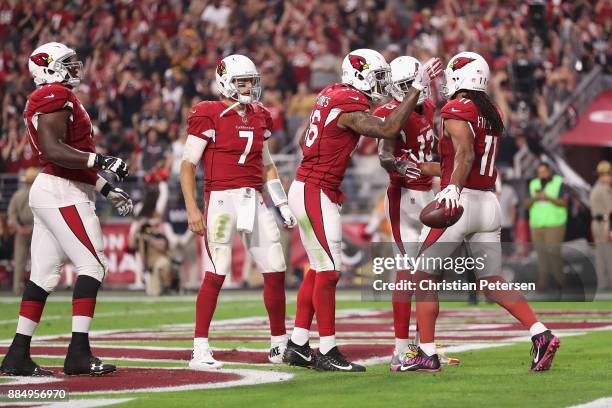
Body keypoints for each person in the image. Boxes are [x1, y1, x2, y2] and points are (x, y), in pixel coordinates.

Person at [396, 52, 559, 373]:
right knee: (491, 280)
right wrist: (422, 168)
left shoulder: (456, 108)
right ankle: (540, 333)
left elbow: (465, 154)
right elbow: (456, 160)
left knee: (423, 277)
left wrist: (452, 189)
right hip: (487, 202)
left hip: (462, 202)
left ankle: (425, 353)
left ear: (460, 78)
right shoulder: (492, 111)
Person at [282, 48, 442, 372]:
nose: (382, 84)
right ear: (360, 74)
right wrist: (415, 89)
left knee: (317, 269)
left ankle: (298, 344)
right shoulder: (348, 101)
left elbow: (307, 143)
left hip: (312, 186)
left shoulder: (331, 93)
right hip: (316, 188)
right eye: (378, 76)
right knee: (328, 272)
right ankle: (326, 350)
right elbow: (387, 130)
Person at [0, 42, 133, 377]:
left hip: (59, 186)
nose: (76, 68)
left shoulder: (57, 95)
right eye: (67, 63)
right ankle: (78, 352)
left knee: (43, 276)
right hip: (60, 190)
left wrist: (105, 186)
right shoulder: (54, 94)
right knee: (94, 265)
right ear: (48, 68)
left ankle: (17, 355)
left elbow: (66, 158)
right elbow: (53, 149)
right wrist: (101, 160)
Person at [180, 54, 297, 371]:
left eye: (251, 81)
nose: (248, 87)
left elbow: (268, 165)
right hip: (221, 200)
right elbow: (188, 165)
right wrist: (192, 208)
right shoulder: (208, 112)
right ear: (224, 82)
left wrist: (282, 204)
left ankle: (278, 344)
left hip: (254, 198)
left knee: (275, 267)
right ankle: (200, 348)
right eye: (241, 81)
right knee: (217, 272)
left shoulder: (260, 114)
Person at [375, 55, 458, 369]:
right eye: (409, 85)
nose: (416, 89)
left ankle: (427, 348)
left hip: (429, 193)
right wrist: (400, 166)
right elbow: (384, 154)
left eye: (417, 82)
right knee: (407, 274)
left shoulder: (427, 108)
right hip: (403, 197)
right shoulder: (387, 111)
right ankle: (399, 349)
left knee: (429, 274)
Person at [526, 162, 569, 291]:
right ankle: (542, 285)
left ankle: (560, 283)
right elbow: (526, 204)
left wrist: (548, 197)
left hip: (555, 224)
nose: (542, 174)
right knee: (541, 255)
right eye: (540, 172)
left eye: (544, 171)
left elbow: (564, 203)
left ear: (550, 171)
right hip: (537, 224)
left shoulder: (559, 182)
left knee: (554, 253)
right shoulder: (533, 184)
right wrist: (535, 198)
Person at [7, 168, 37, 294]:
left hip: (23, 228)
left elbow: (11, 214)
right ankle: (38, 288)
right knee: (38, 259)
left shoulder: (18, 195)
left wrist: (19, 227)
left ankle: (17, 288)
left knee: (20, 260)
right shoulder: (38, 194)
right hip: (36, 229)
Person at [590, 160, 612, 291]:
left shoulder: (598, 187)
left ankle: (603, 283)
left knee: (601, 254)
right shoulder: (604, 189)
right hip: (604, 224)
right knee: (608, 254)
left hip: (599, 223)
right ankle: (607, 283)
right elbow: (609, 212)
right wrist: (608, 229)